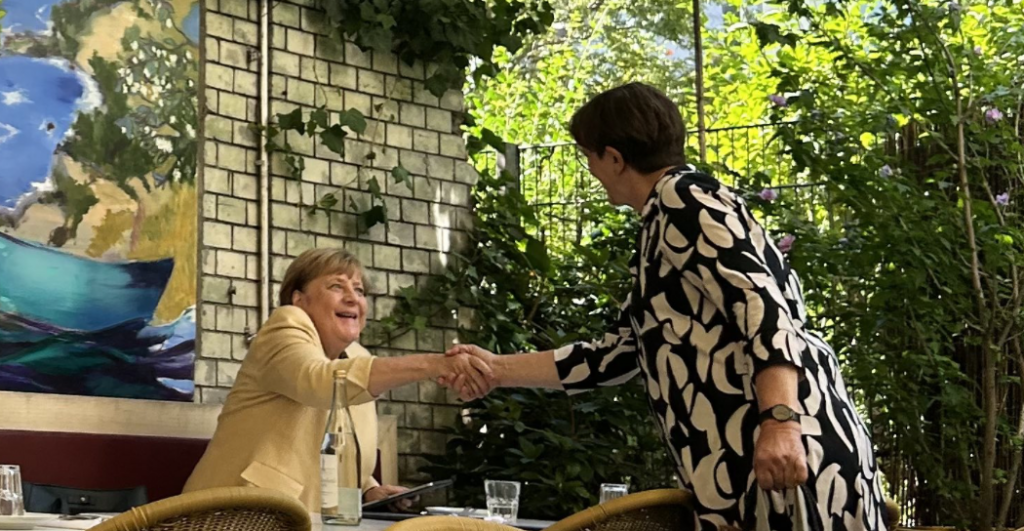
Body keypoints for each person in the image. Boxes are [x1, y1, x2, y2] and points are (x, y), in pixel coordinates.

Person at [442, 83, 886, 531]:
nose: (590, 170)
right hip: (755, 457)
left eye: (588, 156)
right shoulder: (664, 219)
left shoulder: (681, 200)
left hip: (783, 453)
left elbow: (762, 308)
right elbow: (615, 355)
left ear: (615, 158)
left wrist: (780, 421)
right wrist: (495, 370)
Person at [185, 248, 493, 511]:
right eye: (336, 286)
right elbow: (320, 383)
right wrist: (435, 364)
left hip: (312, 521)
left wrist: (369, 489)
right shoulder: (284, 327)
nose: (352, 298)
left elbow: (338, 445)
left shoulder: (357, 356)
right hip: (234, 515)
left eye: (359, 290)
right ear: (299, 299)